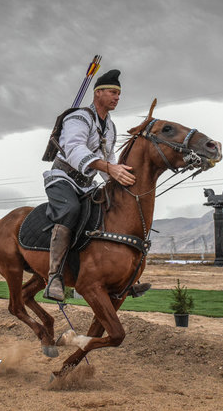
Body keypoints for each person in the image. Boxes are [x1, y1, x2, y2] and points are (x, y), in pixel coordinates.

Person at [42, 69, 150, 301]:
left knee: (111, 209)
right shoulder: (78, 118)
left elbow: (109, 157)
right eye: (112, 92)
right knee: (70, 210)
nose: (117, 97)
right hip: (62, 178)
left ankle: (122, 275)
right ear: (98, 93)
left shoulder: (110, 127)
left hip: (87, 184)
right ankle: (54, 277)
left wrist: (118, 181)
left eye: (119, 94)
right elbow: (74, 149)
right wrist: (110, 169)